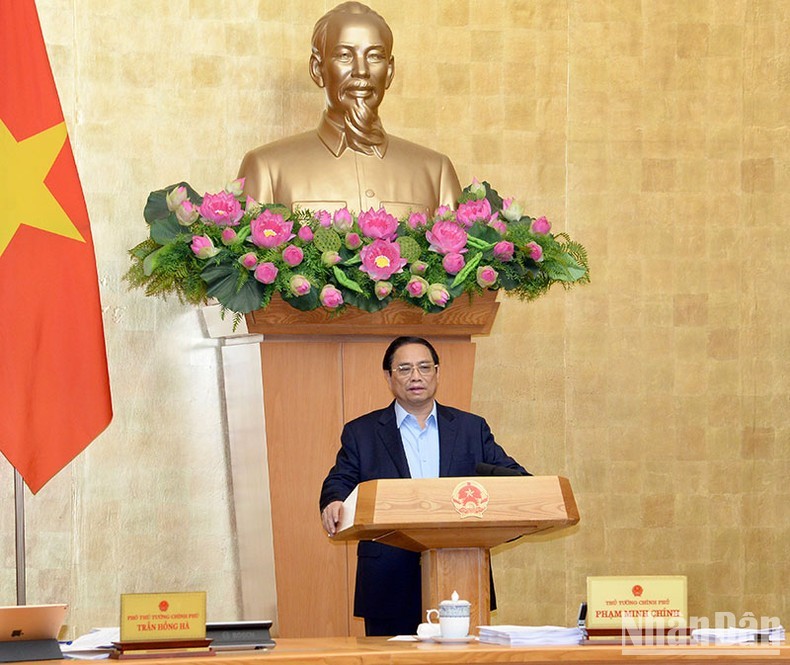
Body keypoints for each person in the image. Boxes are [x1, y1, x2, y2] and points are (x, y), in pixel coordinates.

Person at [320, 336, 528, 636]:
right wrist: (334, 500)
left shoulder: (471, 428)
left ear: (437, 373)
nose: (415, 376)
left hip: (461, 575)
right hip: (387, 579)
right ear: (389, 378)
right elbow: (340, 480)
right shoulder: (361, 432)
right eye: (404, 369)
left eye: (424, 367)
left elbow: (511, 476)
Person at [237, 2, 461, 216]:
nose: (361, 71)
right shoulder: (267, 169)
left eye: (374, 56)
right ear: (317, 69)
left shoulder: (435, 173)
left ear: (390, 71)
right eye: (344, 55)